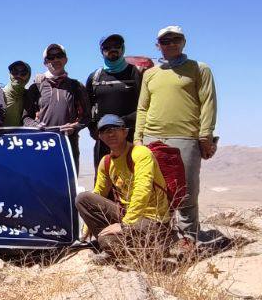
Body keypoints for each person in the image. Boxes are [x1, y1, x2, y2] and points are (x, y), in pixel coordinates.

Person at [135, 25, 218, 237]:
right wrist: (138, 138)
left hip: (185, 136)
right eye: (165, 41)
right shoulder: (150, 74)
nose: (171, 44)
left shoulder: (199, 69)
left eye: (176, 40)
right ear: (158, 45)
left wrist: (205, 135)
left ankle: (189, 237)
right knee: (156, 189)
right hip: (152, 137)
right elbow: (143, 107)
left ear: (184, 42)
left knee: (186, 190)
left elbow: (208, 103)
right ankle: (162, 236)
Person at [76, 115, 172, 259]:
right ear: (100, 137)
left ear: (125, 132)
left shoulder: (140, 153)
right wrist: (86, 229)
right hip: (126, 215)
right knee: (83, 199)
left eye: (114, 129)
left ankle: (138, 249)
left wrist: (125, 225)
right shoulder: (106, 162)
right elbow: (98, 194)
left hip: (152, 219)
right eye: (104, 131)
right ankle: (112, 244)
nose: (110, 134)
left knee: (106, 240)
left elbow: (142, 190)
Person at [25, 43, 90, 168]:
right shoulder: (35, 87)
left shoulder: (76, 86)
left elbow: (87, 116)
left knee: (69, 180)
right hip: (41, 146)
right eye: (51, 57)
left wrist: (75, 127)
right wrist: (35, 126)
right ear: (45, 62)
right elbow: (26, 117)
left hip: (68, 145)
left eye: (59, 56)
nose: (55, 60)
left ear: (66, 59)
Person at [86, 34, 142, 169]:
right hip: (104, 140)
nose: (112, 49)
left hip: (129, 137)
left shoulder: (135, 73)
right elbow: (87, 107)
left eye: (116, 46)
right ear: (102, 51)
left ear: (123, 48)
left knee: (132, 178)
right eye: (107, 47)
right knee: (103, 178)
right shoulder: (95, 77)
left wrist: (120, 124)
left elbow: (144, 106)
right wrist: (93, 129)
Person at [2, 60, 31, 127]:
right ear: (10, 74)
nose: (18, 75)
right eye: (15, 72)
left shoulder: (30, 96)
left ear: (28, 76)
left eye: (23, 73)